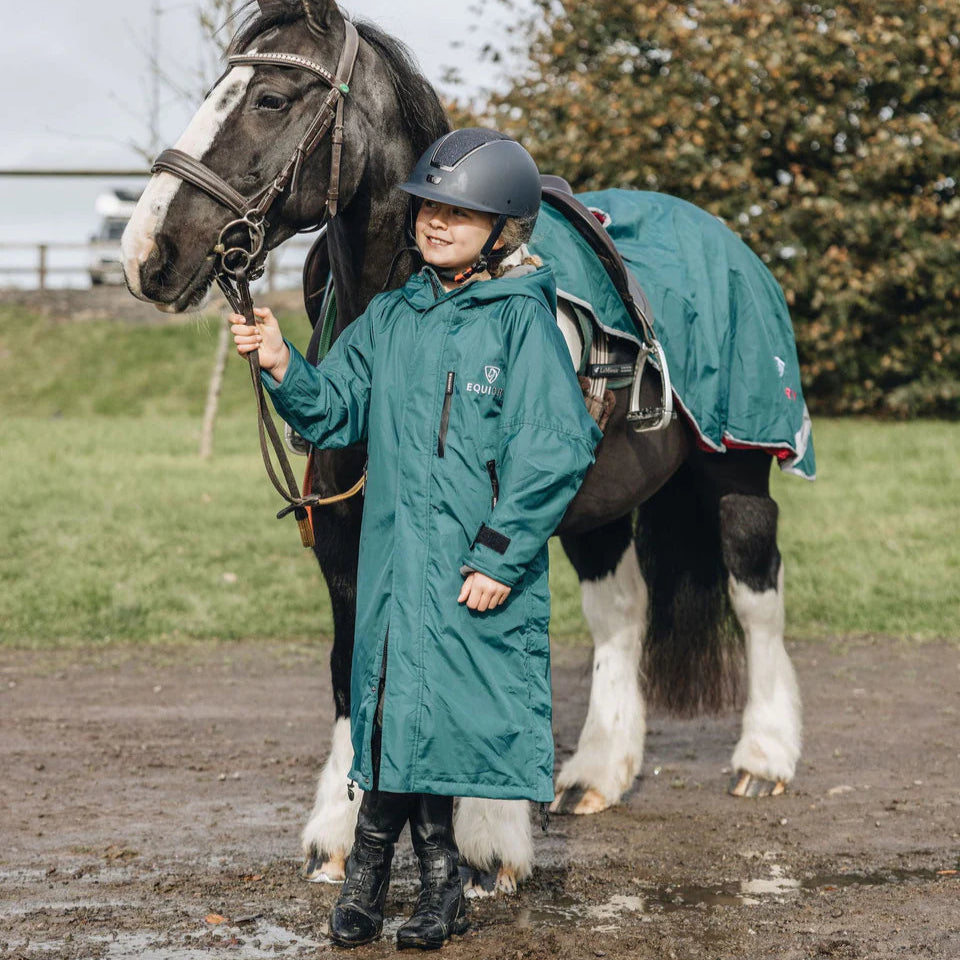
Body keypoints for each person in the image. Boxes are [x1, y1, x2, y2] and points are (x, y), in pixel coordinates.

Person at [230, 128, 602, 950]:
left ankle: (439, 888)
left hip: (473, 566)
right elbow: (335, 409)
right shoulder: (392, 317)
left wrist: (502, 555)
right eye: (430, 208)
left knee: (451, 723)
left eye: (460, 214)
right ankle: (369, 878)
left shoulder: (520, 325)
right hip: (398, 563)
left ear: (502, 229)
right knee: (395, 715)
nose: (436, 224)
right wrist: (283, 361)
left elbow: (555, 446)